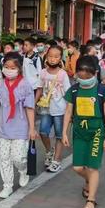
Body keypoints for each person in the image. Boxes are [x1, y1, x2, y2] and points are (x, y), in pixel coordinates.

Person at [62, 56, 105, 208]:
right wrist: (64, 132)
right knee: (78, 167)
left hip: (96, 132)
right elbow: (69, 111)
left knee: (92, 167)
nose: (83, 80)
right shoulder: (74, 90)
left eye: (88, 77)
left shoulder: (102, 91)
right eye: (80, 77)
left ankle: (91, 200)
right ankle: (90, 181)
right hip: (79, 132)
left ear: (95, 73)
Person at [0, 52, 37, 199]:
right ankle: (7, 185)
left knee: (18, 157)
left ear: (19, 68)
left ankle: (23, 169)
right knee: (4, 158)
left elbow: (29, 108)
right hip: (3, 127)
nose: (9, 69)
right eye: (6, 66)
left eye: (13, 67)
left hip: (21, 128)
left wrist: (32, 128)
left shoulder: (25, 85)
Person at [36, 45, 71, 173]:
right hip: (45, 108)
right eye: (50, 56)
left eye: (56, 57)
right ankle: (49, 151)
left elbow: (68, 93)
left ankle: (56, 161)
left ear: (60, 58)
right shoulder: (43, 73)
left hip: (59, 110)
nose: (52, 59)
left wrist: (69, 111)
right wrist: (34, 103)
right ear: (46, 56)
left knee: (59, 135)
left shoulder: (63, 74)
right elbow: (39, 89)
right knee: (43, 132)